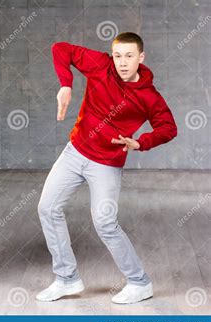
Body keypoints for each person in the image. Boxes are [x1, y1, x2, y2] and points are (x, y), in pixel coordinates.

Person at [36, 32, 177, 304]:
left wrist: (140, 142)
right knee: (47, 208)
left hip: (107, 163)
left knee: (104, 223)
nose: (122, 62)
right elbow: (60, 47)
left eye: (129, 56)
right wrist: (66, 84)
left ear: (141, 57)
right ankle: (67, 278)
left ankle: (139, 282)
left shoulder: (149, 97)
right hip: (74, 152)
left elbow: (169, 128)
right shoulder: (101, 65)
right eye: (118, 55)